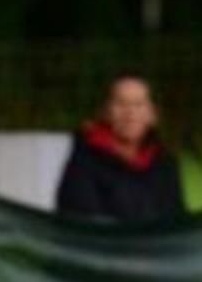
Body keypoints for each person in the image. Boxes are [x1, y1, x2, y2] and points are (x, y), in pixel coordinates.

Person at [55, 73, 186, 222]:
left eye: (139, 104)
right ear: (105, 111)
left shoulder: (165, 162)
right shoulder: (84, 159)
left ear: (153, 114)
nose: (130, 114)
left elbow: (177, 219)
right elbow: (82, 219)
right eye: (121, 104)